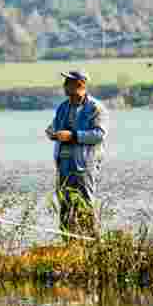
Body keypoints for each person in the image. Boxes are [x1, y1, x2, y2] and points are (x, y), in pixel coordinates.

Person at [45, 70, 107, 237]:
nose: (64, 86)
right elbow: (55, 126)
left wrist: (73, 136)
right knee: (65, 205)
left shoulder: (95, 108)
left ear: (80, 85)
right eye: (65, 83)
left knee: (85, 204)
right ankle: (68, 242)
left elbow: (99, 134)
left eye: (68, 83)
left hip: (84, 166)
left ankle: (92, 242)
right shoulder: (63, 106)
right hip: (63, 164)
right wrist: (52, 132)